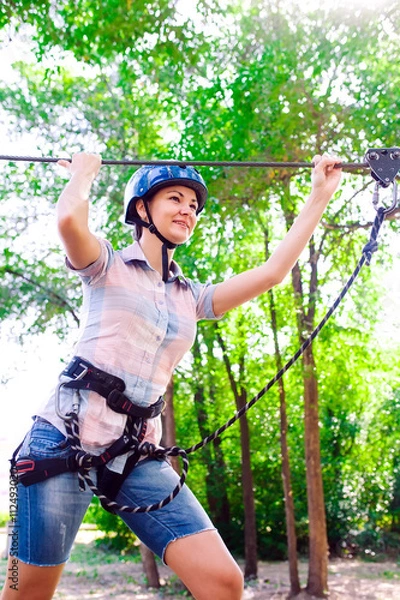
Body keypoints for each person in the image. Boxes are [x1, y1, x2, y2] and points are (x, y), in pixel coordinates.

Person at [1, 152, 342, 600]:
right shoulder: (106, 264)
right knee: (24, 593)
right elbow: (68, 221)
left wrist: (320, 195)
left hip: (135, 455)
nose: (188, 210)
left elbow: (273, 273)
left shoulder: (192, 298)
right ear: (142, 209)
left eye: (194, 206)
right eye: (175, 199)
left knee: (223, 582)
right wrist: (84, 172)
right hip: (62, 443)